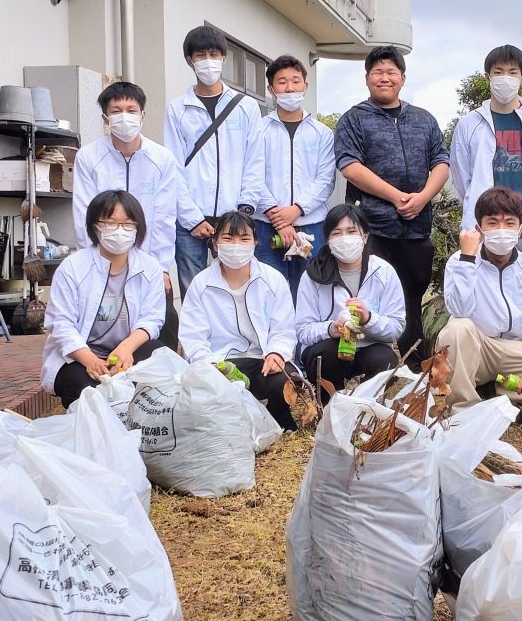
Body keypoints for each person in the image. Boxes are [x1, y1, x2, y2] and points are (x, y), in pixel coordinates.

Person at [333, 45, 449, 370]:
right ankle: (376, 369)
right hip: (373, 228)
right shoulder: (354, 119)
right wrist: (396, 197)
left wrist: (423, 196)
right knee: (374, 299)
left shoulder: (423, 119)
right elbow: (349, 165)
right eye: (377, 72)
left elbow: (441, 160)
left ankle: (415, 371)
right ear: (367, 78)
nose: (384, 78)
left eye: (391, 72)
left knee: (413, 297)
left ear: (402, 77)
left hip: (417, 229)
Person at [435, 187, 522, 412]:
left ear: (520, 229)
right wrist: (468, 259)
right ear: (479, 228)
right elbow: (459, 309)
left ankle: (494, 393)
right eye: (492, 222)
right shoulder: (459, 261)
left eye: (509, 223)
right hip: (479, 348)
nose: (501, 229)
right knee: (457, 328)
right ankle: (464, 408)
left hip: (517, 349)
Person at [72, 81, 181, 349]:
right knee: (104, 321)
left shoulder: (162, 158)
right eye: (116, 110)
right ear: (105, 117)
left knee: (163, 322)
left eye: (131, 110)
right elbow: (84, 214)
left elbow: (165, 217)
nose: (125, 116)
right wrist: (94, 264)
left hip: (149, 262)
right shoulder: (89, 157)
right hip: (103, 260)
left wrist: (161, 268)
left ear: (142, 115)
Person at [164, 25, 265, 298]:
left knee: (239, 289)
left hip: (234, 217)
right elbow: (172, 166)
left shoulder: (245, 107)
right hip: (190, 223)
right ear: (189, 60)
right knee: (193, 291)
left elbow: (255, 162)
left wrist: (244, 211)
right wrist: (192, 218)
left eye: (213, 54)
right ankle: (197, 340)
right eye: (200, 55)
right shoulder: (177, 108)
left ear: (224, 58)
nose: (208, 61)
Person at [41, 190, 165, 408]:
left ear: (138, 227)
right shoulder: (72, 267)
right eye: (110, 223)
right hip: (80, 355)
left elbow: (152, 319)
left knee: (162, 365)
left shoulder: (150, 267)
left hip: (127, 350)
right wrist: (89, 360)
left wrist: (126, 348)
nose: (119, 231)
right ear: (95, 226)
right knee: (85, 390)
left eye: (127, 224)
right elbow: (60, 323)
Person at [178, 210, 298, 430]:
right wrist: (210, 365)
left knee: (283, 378)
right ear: (214, 243)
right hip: (221, 362)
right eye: (227, 238)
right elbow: (192, 336)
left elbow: (283, 329)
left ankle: (278, 414)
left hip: (260, 362)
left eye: (244, 239)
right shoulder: (201, 284)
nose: (236, 245)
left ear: (255, 242)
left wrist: (276, 353)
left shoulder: (272, 280)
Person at [450, 44, 522, 247]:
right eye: (498, 72)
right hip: (482, 228)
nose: (505, 78)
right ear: (487, 77)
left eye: (512, 72)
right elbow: (461, 175)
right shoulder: (469, 124)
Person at [295, 204, 405, 400]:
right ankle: (328, 404)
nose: (344, 239)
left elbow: (396, 326)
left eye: (351, 231)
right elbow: (303, 330)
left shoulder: (383, 272)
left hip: (370, 346)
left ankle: (370, 406)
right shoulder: (313, 275)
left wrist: (368, 319)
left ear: (364, 236)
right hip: (331, 346)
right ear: (328, 240)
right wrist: (330, 329)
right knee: (325, 355)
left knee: (385, 359)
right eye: (336, 233)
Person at [254, 54, 335, 303]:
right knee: (268, 292)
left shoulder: (321, 133)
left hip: (311, 225)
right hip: (266, 224)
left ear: (305, 86)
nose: (289, 88)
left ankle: (306, 343)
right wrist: (279, 218)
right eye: (281, 82)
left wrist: (297, 210)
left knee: (310, 293)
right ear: (270, 89)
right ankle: (272, 343)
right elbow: (253, 176)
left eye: (296, 81)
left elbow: (326, 179)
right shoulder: (258, 130)